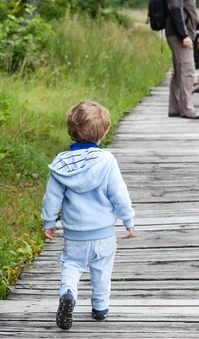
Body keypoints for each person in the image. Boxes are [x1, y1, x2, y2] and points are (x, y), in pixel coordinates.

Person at [41, 100, 135, 330]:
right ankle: (100, 307)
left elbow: (52, 197)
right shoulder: (107, 161)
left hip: (75, 234)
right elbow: (119, 194)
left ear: (71, 132)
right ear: (102, 134)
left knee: (72, 265)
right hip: (103, 233)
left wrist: (49, 221)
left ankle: (68, 293)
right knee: (102, 268)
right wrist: (128, 219)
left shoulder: (62, 164)